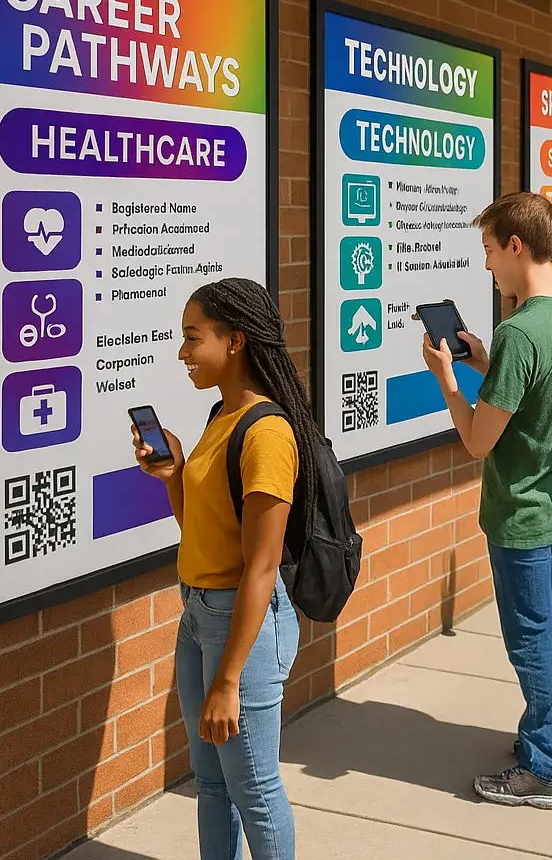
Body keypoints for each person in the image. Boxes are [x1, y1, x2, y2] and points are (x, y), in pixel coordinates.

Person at [422, 191, 552, 810]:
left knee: (533, 637)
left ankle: (542, 767)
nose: (486, 268)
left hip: (521, 512)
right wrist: (484, 364)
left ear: (516, 245)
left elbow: (479, 442)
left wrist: (449, 382)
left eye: (487, 251)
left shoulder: (521, 330)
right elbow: (537, 401)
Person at [132, 277, 320, 860]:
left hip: (242, 625)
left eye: (193, 339)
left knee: (255, 790)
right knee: (211, 783)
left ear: (235, 341)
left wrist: (229, 679)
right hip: (198, 614)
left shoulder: (266, 433)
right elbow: (202, 535)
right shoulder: (222, 416)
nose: (182, 353)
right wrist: (175, 475)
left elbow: (261, 568)